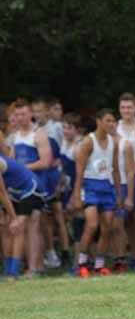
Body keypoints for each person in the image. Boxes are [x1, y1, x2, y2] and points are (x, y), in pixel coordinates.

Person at [71, 109, 124, 277]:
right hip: (90, 186)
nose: (111, 124)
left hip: (106, 187)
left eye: (113, 121)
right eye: (108, 120)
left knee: (107, 228)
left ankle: (100, 265)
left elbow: (115, 170)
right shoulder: (88, 142)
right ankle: (81, 263)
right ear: (98, 121)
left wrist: (119, 194)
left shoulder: (113, 142)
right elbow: (79, 171)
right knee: (92, 225)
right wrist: (77, 195)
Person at [12, 98, 52, 275]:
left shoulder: (38, 134)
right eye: (17, 114)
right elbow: (12, 161)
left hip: (36, 185)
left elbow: (46, 161)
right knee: (29, 225)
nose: (20, 117)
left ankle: (34, 267)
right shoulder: (15, 135)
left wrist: (22, 169)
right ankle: (37, 265)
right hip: (20, 187)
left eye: (23, 114)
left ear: (30, 114)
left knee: (33, 223)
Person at [32, 98, 70, 268]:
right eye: (35, 111)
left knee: (58, 213)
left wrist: (60, 164)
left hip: (54, 175)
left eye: (40, 111)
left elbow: (65, 148)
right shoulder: (35, 129)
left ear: (47, 112)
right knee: (45, 216)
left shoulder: (56, 128)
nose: (37, 114)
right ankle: (50, 251)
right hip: (42, 175)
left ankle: (66, 251)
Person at [0, 155, 45, 279]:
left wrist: (15, 219)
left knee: (18, 226)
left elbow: (2, 194)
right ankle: (8, 270)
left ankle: (15, 272)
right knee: (5, 227)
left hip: (30, 187)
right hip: (14, 191)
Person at [116, 93, 135, 271]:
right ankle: (133, 255)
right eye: (123, 107)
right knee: (126, 220)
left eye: (129, 107)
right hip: (123, 177)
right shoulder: (116, 128)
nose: (126, 111)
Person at [110, 123, 135, 273]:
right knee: (110, 225)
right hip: (107, 185)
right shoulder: (101, 143)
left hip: (123, 185)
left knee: (118, 224)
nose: (110, 125)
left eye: (112, 122)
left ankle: (122, 258)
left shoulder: (125, 144)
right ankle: (116, 257)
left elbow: (131, 171)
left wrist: (130, 197)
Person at [59, 113, 84, 270]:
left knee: (79, 225)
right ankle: (81, 262)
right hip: (68, 188)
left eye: (69, 128)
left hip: (79, 189)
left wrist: (74, 197)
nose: (65, 131)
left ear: (77, 129)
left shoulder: (79, 146)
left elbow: (80, 175)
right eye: (64, 127)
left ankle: (79, 263)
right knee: (74, 226)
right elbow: (64, 170)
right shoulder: (64, 143)